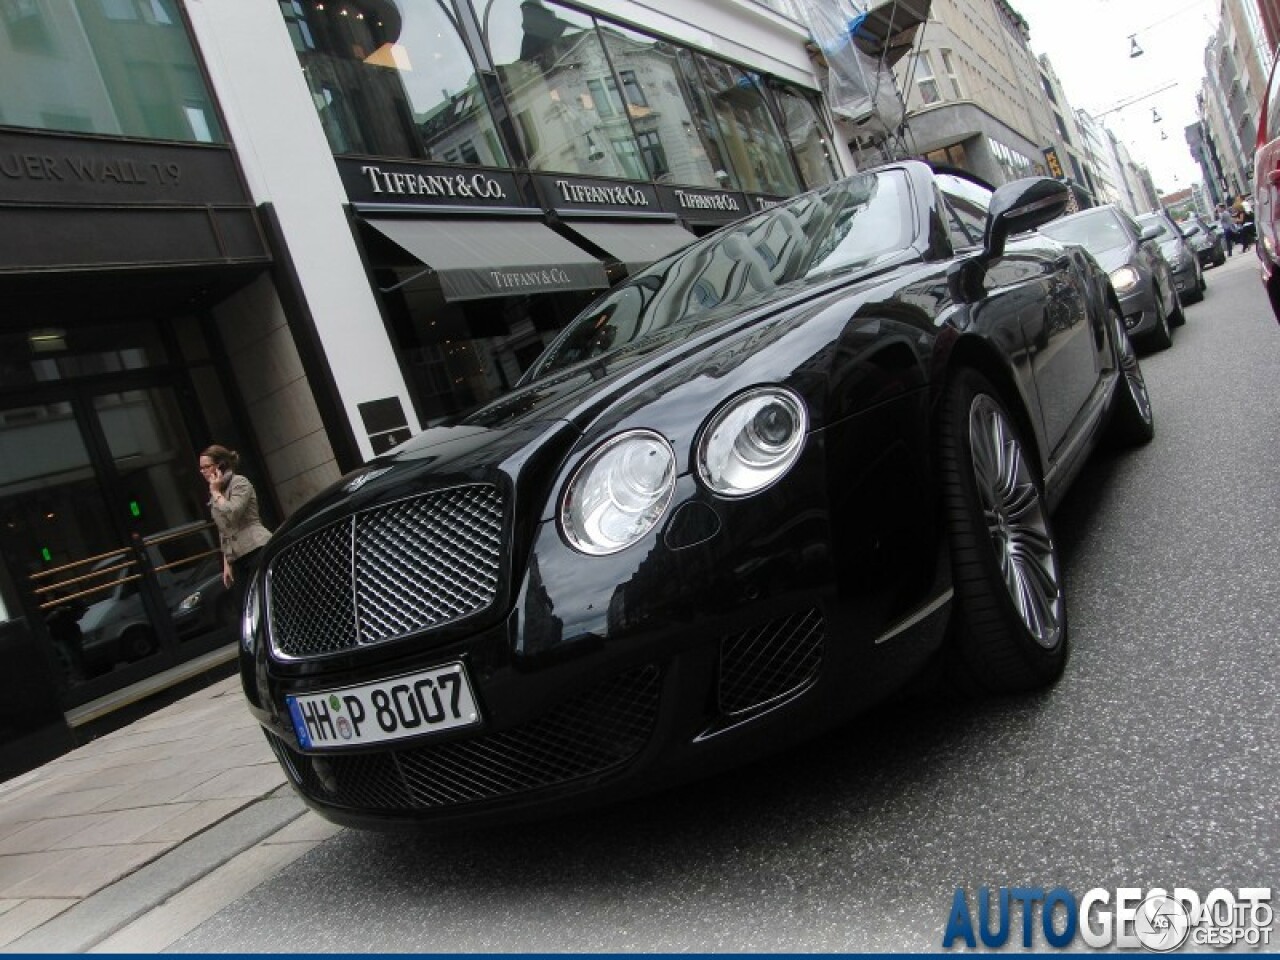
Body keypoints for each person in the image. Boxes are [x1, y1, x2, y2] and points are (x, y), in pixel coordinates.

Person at [198, 445, 272, 611]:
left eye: (206, 467)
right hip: (237, 557)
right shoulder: (217, 490)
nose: (203, 471)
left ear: (220, 465)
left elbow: (233, 512)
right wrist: (227, 563)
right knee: (243, 607)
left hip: (255, 547)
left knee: (263, 601)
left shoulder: (239, 483)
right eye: (201, 468)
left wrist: (216, 493)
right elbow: (223, 529)